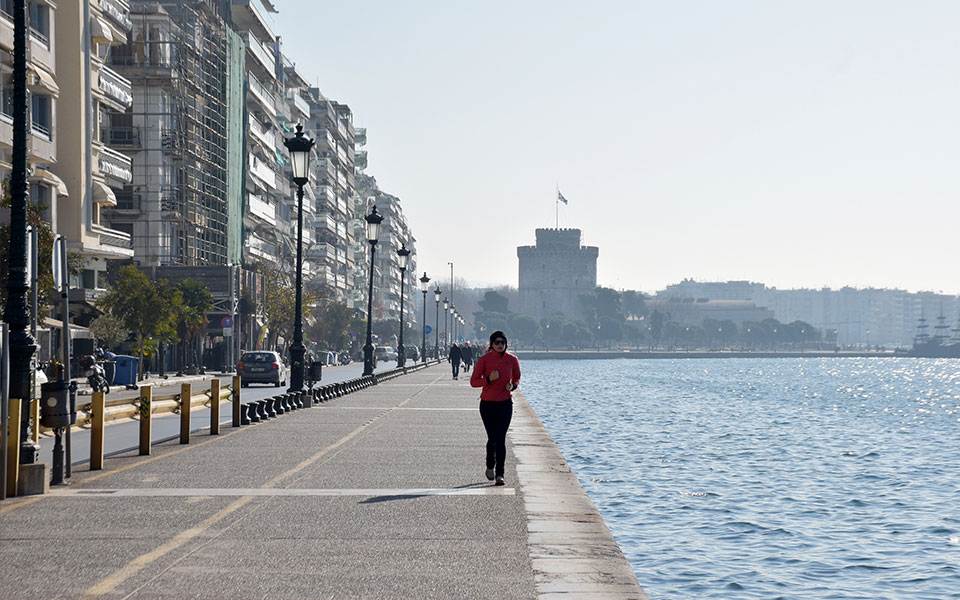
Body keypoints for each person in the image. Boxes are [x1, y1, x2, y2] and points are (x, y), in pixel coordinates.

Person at [470, 330, 521, 486]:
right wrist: (488, 379)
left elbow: (517, 377)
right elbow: (473, 382)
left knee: (500, 439)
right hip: (487, 404)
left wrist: (512, 386)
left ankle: (500, 474)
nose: (500, 345)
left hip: (505, 404)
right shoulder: (484, 360)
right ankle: (490, 465)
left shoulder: (512, 359)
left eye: (502, 342)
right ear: (491, 344)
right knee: (492, 438)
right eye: (497, 342)